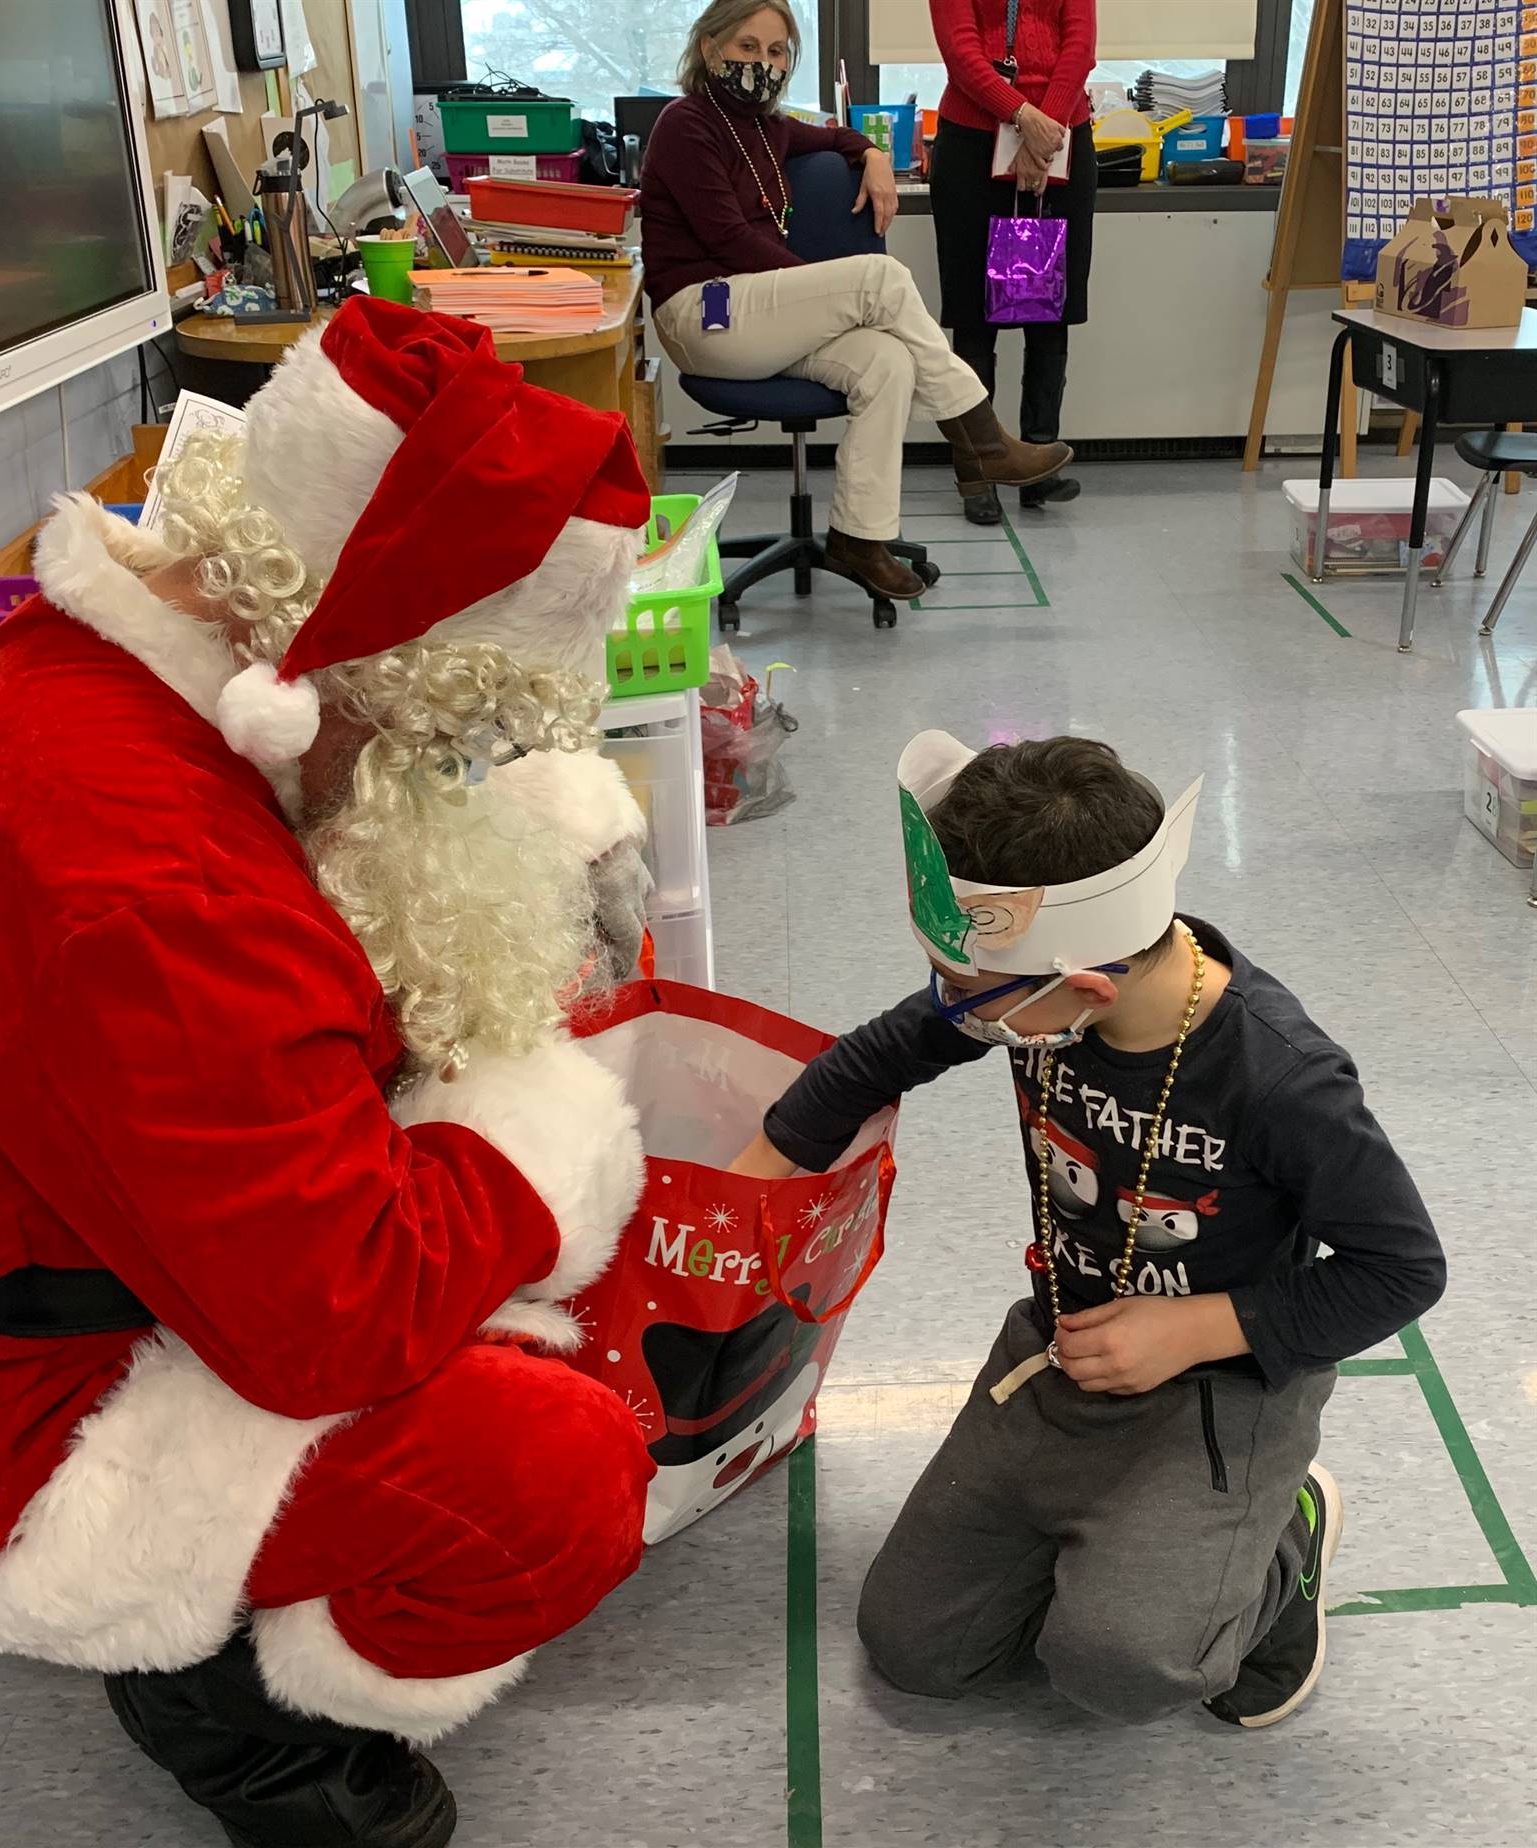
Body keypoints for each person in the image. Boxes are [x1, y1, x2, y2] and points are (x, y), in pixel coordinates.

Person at [0, 297, 671, 1848]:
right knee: (562, 1471)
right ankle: (250, 1729)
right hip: (31, 1402)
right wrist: (538, 1150)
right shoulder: (146, 875)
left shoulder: (129, 682)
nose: (427, 767)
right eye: (427, 729)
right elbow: (327, 1327)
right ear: (339, 651)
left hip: (79, 1266)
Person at [730, 733, 1446, 1729]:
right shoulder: (1027, 989)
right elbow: (884, 1052)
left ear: (1091, 990)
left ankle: (1283, 1548)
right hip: (1065, 1348)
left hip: (1222, 1382)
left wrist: (1196, 1328)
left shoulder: (1283, 1083)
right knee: (917, 1649)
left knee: (1121, 1670)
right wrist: (746, 1184)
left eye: (968, 995)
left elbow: (1402, 1271)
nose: (953, 1009)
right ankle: (1152, 1554)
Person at [639, 0, 1071, 603]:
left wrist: (870, 154)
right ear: (710, 47)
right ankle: (982, 441)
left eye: (776, 51)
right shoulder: (686, 123)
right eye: (745, 47)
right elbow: (728, 241)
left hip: (758, 320)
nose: (761, 63)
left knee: (885, 362)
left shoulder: (769, 127)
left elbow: (839, 134)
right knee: (878, 281)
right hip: (702, 314)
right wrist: (832, 295)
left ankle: (858, 540)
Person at [928, 0, 1099, 525]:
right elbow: (962, 53)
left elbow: (1080, 45)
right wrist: (1021, 115)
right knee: (976, 318)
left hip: (1063, 137)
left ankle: (1039, 459)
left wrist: (1043, 131)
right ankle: (978, 467)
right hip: (972, 144)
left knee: (1048, 309)